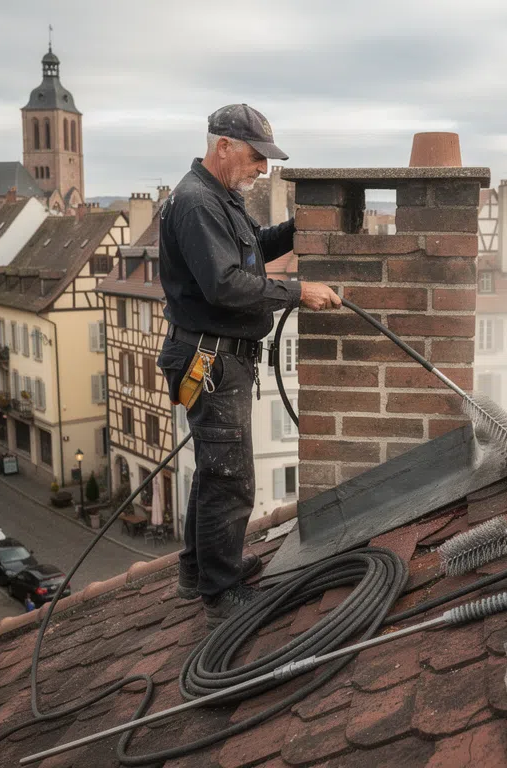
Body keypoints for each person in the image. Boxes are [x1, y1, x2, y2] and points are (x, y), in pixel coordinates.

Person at [157, 104, 342, 625]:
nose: (262, 168)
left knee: (215, 469)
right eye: (256, 156)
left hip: (212, 355)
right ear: (223, 146)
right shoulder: (196, 203)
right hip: (209, 357)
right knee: (230, 475)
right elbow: (225, 284)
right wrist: (298, 291)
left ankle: (198, 572)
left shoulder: (219, 199)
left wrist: (297, 229)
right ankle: (221, 594)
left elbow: (251, 252)